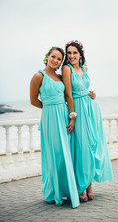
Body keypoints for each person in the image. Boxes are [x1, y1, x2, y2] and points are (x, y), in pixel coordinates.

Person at [62, 40, 113, 202]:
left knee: (91, 147)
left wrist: (93, 94)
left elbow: (86, 87)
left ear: (80, 54)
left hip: (91, 109)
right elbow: (68, 95)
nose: (71, 56)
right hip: (78, 111)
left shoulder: (85, 68)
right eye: (69, 53)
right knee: (81, 149)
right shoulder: (66, 69)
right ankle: (81, 186)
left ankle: (89, 185)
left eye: (74, 52)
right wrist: (72, 117)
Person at [30, 46, 80, 208]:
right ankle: (53, 192)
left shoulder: (59, 77)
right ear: (47, 57)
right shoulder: (39, 76)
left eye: (59, 58)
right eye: (53, 56)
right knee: (54, 155)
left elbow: (70, 94)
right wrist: (49, 107)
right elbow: (33, 100)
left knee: (66, 155)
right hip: (50, 118)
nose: (56, 60)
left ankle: (67, 189)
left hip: (64, 116)